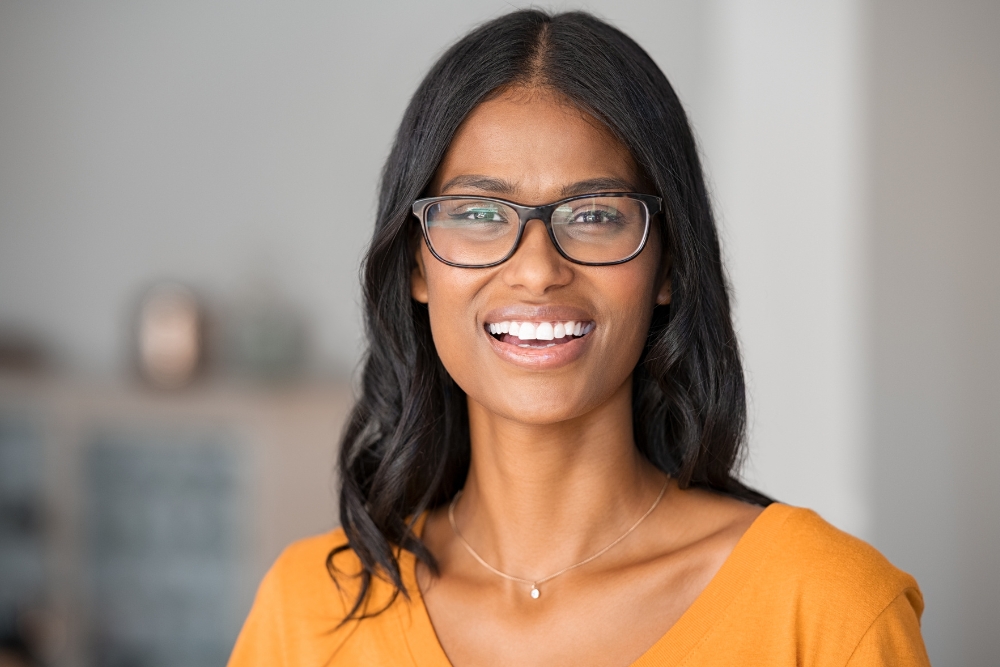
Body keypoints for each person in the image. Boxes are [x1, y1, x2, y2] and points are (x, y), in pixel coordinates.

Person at [228, 10, 930, 666]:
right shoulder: (306, 615)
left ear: (666, 265)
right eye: (478, 211)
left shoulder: (828, 609)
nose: (537, 270)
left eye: (594, 215)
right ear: (417, 262)